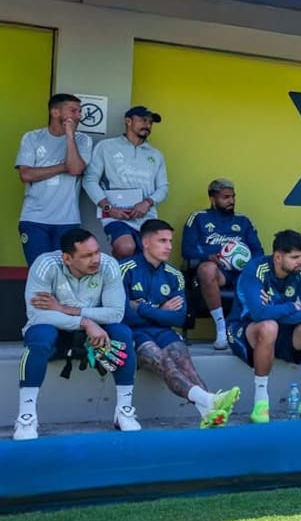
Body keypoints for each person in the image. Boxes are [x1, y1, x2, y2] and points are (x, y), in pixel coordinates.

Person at [15, 228, 139, 440]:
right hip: (58, 334)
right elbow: (37, 314)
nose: (95, 259)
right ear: (67, 258)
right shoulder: (45, 265)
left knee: (122, 333)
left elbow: (116, 313)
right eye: (87, 256)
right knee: (39, 336)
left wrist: (66, 310)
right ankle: (26, 416)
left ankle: (124, 410)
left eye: (97, 252)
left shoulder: (108, 265)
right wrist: (84, 322)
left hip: (95, 339)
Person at [122, 220, 240, 428]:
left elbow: (178, 318)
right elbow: (123, 315)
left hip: (163, 331)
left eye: (170, 241)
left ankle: (209, 411)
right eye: (162, 241)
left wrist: (141, 308)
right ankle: (211, 401)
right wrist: (161, 311)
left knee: (187, 365)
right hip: (135, 333)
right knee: (165, 362)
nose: (169, 246)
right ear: (146, 243)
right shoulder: (125, 269)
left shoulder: (174, 274)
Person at [229, 230, 301, 423]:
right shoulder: (255, 270)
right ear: (277, 257)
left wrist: (275, 306)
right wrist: (290, 305)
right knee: (268, 326)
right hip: (244, 329)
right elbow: (258, 314)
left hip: (280, 327)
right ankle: (261, 402)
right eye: (295, 257)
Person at [182, 178, 265, 349]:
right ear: (213, 199)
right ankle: (221, 330)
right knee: (207, 269)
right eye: (226, 197)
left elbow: (258, 252)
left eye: (233, 197)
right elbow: (187, 250)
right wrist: (209, 256)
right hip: (217, 274)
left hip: (241, 274)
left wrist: (247, 264)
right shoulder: (198, 218)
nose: (231, 201)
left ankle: (252, 332)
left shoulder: (243, 221)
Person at [82, 106, 169, 259]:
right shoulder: (106, 147)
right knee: (125, 248)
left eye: (150, 122)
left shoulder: (156, 154)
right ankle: (117, 279)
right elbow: (89, 180)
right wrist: (108, 207)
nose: (147, 125)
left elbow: (163, 187)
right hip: (115, 214)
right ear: (128, 121)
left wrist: (147, 203)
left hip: (146, 215)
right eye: (143, 120)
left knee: (150, 254)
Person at [15, 93, 92, 265]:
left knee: (65, 271)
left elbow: (76, 169)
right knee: (39, 270)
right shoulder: (32, 137)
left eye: (80, 111)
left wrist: (70, 136)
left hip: (68, 220)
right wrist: (63, 167)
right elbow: (26, 174)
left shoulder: (83, 139)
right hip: (34, 218)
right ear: (55, 112)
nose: (79, 116)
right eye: (73, 111)